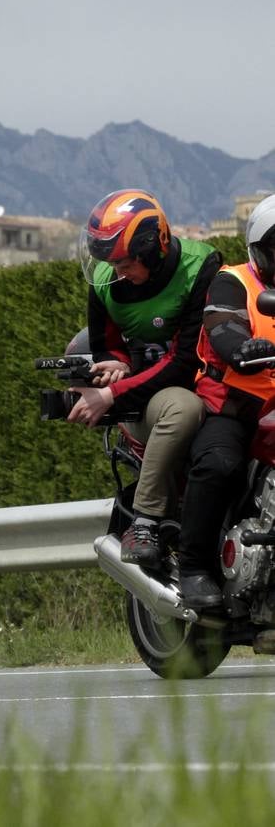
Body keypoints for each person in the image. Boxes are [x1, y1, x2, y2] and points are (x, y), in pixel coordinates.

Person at [68, 189, 220, 570]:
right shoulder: (105, 281)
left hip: (200, 383)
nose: (119, 272)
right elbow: (105, 345)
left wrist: (112, 392)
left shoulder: (202, 268)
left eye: (126, 263)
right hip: (151, 400)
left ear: (154, 248)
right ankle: (145, 521)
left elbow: (186, 360)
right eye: (113, 263)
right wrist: (115, 367)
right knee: (182, 409)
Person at [176, 193, 275, 608]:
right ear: (261, 250)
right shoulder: (234, 281)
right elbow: (222, 324)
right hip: (237, 406)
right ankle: (194, 566)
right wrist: (241, 346)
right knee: (219, 463)